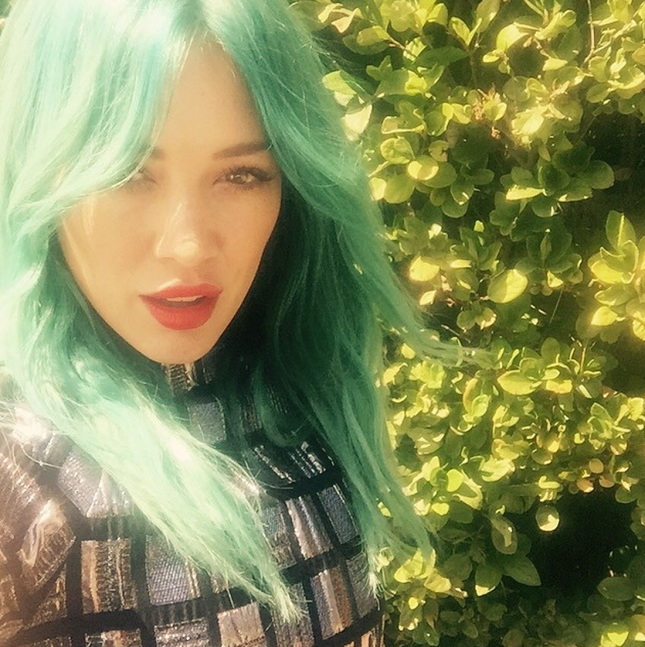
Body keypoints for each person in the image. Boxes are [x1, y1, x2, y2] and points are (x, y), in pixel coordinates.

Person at [0, 0, 443, 644]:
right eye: (127, 172)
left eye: (241, 174)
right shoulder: (19, 469)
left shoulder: (304, 401)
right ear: (37, 173)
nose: (188, 245)